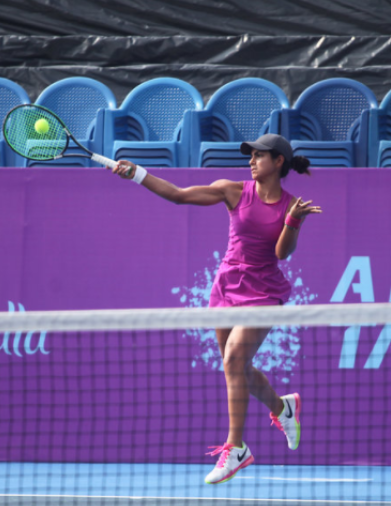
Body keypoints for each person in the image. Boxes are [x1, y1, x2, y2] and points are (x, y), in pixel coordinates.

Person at [111, 134, 321, 485]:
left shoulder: (291, 204)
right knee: (238, 367)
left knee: (233, 360)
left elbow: (282, 254)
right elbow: (178, 196)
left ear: (279, 161)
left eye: (258, 156)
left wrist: (293, 221)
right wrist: (137, 174)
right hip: (226, 286)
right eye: (250, 156)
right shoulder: (232, 190)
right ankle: (282, 408)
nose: (251, 162)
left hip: (264, 291)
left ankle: (235, 448)